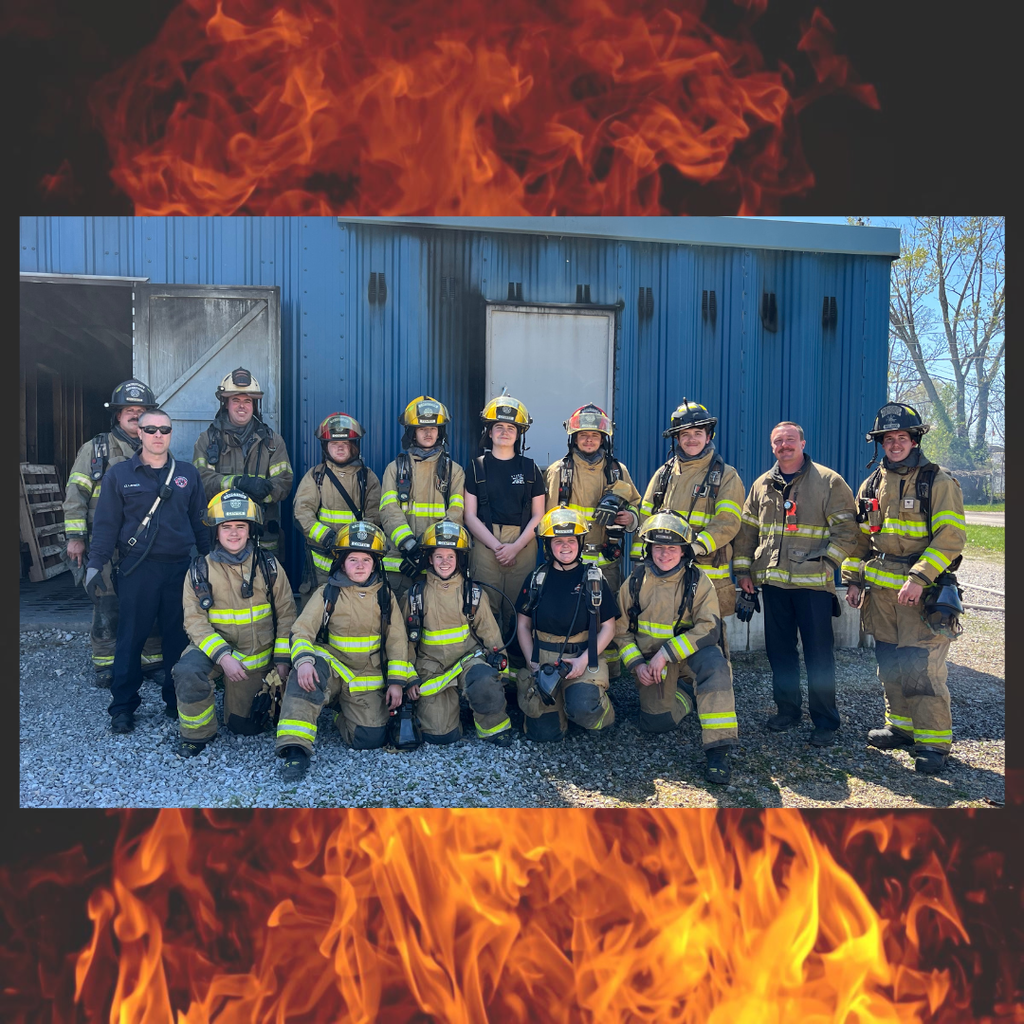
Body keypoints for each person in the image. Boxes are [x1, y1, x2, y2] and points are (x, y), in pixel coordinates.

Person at [843, 403, 966, 774]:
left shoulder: (938, 481)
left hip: (922, 594)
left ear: (914, 440)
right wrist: (853, 580)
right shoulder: (871, 484)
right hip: (880, 598)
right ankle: (902, 727)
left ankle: (933, 744)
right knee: (889, 664)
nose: (895, 444)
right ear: (880, 442)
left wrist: (919, 577)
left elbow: (951, 537)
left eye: (902, 438)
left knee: (922, 668)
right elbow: (860, 539)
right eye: (888, 438)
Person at [732, 421, 859, 747]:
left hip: (813, 587)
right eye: (778, 441)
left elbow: (847, 530)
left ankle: (826, 721)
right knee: (780, 653)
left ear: (802, 443)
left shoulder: (829, 481)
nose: (784, 446)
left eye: (790, 440)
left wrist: (828, 563)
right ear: (772, 447)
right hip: (773, 585)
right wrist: (744, 573)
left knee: (819, 655)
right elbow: (747, 533)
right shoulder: (761, 485)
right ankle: (787, 711)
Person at [85, 408, 210, 733]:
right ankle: (122, 708)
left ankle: (175, 701)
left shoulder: (187, 474)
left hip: (179, 570)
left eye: (164, 430)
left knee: (176, 640)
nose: (158, 435)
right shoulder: (119, 474)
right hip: (137, 570)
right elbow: (106, 524)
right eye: (150, 429)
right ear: (139, 433)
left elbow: (200, 523)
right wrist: (95, 563)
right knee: (130, 639)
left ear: (171, 434)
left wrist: (210, 561)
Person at [276, 521, 415, 781]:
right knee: (304, 677)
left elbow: (397, 641)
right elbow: (302, 630)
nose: (360, 565)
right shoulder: (327, 592)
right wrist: (304, 660)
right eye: (353, 559)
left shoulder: (385, 596)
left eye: (366, 559)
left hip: (365, 677)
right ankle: (295, 749)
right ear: (341, 562)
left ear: (376, 563)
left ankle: (341, 711)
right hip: (331, 668)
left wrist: (397, 683)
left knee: (368, 738)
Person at [173, 489, 297, 756]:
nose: (233, 533)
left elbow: (287, 613)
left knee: (246, 726)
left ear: (250, 530)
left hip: (255, 659)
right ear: (215, 532)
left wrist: (283, 659)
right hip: (215, 653)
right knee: (187, 671)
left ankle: (235, 705)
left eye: (240, 526)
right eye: (226, 527)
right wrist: (223, 657)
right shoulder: (199, 570)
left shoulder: (269, 566)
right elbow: (194, 622)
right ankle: (197, 734)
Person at [616, 512, 737, 784]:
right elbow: (620, 631)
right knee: (655, 723)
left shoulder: (698, 581)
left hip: (689, 656)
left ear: (684, 551)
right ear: (649, 548)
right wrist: (636, 664)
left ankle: (718, 752)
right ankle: (687, 696)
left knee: (715, 668)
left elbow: (709, 627)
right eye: (659, 547)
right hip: (652, 666)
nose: (665, 554)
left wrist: (666, 653)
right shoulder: (635, 581)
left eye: (672, 548)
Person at [62, 378, 164, 688]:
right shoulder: (96, 450)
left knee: (150, 601)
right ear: (117, 416)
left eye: (142, 410)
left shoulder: (157, 448)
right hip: (104, 544)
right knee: (106, 603)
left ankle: (151, 661)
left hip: (146, 545)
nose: (135, 415)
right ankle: (106, 664)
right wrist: (76, 538)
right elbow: (75, 495)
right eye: (128, 410)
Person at [633, 399, 745, 655]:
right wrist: (639, 566)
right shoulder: (663, 474)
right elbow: (645, 520)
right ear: (677, 438)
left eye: (698, 433)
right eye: (685, 434)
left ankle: (713, 689)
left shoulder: (726, 476)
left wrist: (695, 546)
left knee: (709, 636)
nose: (691, 439)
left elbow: (728, 521)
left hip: (707, 571)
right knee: (668, 630)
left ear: (708, 437)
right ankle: (672, 689)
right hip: (665, 571)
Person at [544, 404, 641, 679]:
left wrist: (628, 517)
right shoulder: (558, 472)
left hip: (606, 559)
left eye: (595, 436)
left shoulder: (617, 471)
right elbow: (549, 519)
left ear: (604, 439)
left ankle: (606, 675)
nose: (589, 440)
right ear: (573, 438)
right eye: (583, 435)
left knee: (607, 616)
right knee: (573, 614)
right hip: (568, 560)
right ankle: (572, 668)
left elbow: (637, 506)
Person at [402, 520, 513, 746]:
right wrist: (409, 678)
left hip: (467, 663)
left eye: (450, 556)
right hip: (432, 670)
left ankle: (493, 728)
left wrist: (500, 678)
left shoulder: (472, 593)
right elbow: (405, 644)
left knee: (484, 683)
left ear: (459, 559)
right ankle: (453, 712)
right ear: (429, 559)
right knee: (440, 736)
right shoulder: (414, 595)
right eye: (439, 556)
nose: (445, 562)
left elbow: (492, 636)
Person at [514, 506, 619, 742]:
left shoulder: (594, 578)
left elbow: (609, 627)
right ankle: (561, 709)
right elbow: (523, 625)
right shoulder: (536, 579)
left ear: (580, 543)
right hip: (544, 661)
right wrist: (533, 663)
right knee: (543, 733)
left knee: (584, 706)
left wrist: (583, 661)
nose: (565, 546)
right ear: (548, 546)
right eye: (558, 541)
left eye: (571, 540)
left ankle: (600, 713)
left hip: (582, 657)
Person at [462, 394, 546, 651]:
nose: (504, 432)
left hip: (523, 543)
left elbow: (539, 515)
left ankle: (517, 669)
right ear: (488, 431)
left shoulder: (531, 469)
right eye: (498, 426)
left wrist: (514, 548)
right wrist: (497, 547)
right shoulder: (476, 468)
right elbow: (469, 515)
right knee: (486, 606)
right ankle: (488, 664)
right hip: (486, 544)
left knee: (519, 608)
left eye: (511, 428)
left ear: (519, 433)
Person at [193, 367, 293, 564]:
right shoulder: (207, 440)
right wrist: (237, 484)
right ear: (226, 404)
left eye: (247, 401)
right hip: (222, 532)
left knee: (267, 587)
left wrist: (263, 492)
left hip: (262, 532)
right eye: (236, 400)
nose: (242, 406)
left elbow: (284, 482)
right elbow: (200, 480)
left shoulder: (273, 442)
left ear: (254, 405)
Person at [379, 396, 465, 602]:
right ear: (412, 432)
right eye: (422, 428)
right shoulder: (394, 469)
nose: (428, 433)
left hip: (437, 563)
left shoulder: (454, 471)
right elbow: (388, 510)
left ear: (440, 432)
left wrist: (429, 551)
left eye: (434, 428)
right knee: (398, 622)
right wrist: (409, 545)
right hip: (400, 564)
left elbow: (456, 514)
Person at [293, 412, 382, 591]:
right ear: (326, 447)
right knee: (319, 604)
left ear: (354, 446)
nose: (340, 448)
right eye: (334, 444)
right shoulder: (316, 476)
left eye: (345, 444)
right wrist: (327, 537)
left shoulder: (367, 478)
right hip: (320, 561)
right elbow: (301, 512)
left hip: (356, 559)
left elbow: (375, 515)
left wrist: (354, 543)